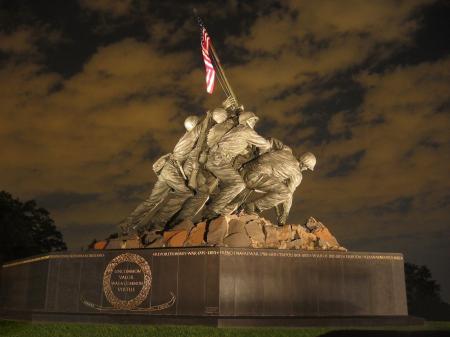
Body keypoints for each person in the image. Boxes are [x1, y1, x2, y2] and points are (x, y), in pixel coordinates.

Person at [119, 115, 201, 234]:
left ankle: (128, 223)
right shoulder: (190, 136)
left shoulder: (186, 137)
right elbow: (202, 127)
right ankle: (157, 223)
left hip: (166, 170)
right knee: (186, 192)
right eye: (197, 124)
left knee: (153, 200)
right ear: (194, 125)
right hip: (171, 170)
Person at [203, 111, 271, 218]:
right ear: (246, 120)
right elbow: (265, 144)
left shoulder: (237, 129)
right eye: (253, 120)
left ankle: (217, 207)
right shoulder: (246, 130)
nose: (254, 122)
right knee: (238, 184)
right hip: (218, 159)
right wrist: (262, 153)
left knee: (230, 185)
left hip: (217, 158)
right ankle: (212, 210)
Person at [242, 145, 316, 225]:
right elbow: (288, 195)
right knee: (285, 193)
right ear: (303, 164)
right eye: (307, 168)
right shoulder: (297, 174)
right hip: (254, 179)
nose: (305, 170)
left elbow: (269, 143)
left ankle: (241, 206)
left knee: (279, 187)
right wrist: (284, 214)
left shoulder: (286, 151)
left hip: (246, 170)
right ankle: (252, 207)